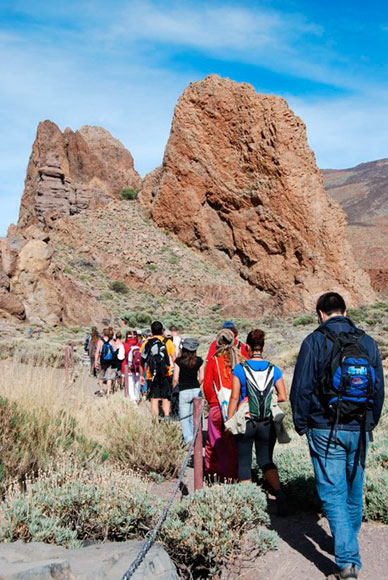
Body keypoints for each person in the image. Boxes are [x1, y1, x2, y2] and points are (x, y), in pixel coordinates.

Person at [290, 292, 384, 580]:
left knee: (333, 493)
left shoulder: (314, 341)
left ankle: (346, 562)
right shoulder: (367, 342)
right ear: (344, 310)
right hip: (360, 426)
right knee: (354, 492)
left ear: (320, 313)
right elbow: (379, 388)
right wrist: (371, 421)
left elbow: (301, 389)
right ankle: (348, 543)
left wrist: (301, 424)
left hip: (324, 427)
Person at [228, 329, 288, 513]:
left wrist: (230, 420)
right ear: (263, 347)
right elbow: (283, 396)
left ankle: (248, 506)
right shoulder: (273, 369)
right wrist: (268, 401)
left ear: (247, 347)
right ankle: (279, 495)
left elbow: (234, 397)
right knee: (265, 460)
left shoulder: (240, 369)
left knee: (244, 462)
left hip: (246, 421)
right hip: (267, 423)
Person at [203, 328, 240, 481]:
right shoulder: (240, 360)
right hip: (237, 408)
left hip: (218, 406)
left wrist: (212, 401)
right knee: (233, 444)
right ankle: (232, 475)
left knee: (214, 442)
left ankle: (214, 474)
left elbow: (206, 386)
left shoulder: (213, 360)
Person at [139, 321, 176, 420]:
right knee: (166, 397)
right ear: (162, 330)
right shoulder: (168, 342)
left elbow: (142, 361)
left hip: (151, 375)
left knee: (154, 398)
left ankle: (155, 421)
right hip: (166, 373)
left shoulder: (147, 343)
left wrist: (141, 376)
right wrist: (176, 374)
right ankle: (167, 417)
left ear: (151, 331)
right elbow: (174, 359)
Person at [173, 338, 204, 443]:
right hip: (196, 390)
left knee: (184, 417)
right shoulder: (199, 361)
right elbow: (202, 377)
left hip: (184, 390)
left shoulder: (178, 361)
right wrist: (197, 385)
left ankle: (189, 440)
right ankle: (196, 439)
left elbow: (175, 379)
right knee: (195, 416)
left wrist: (174, 390)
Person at [94, 328, 116, 397]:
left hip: (102, 361)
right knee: (109, 377)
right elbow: (115, 352)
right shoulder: (112, 341)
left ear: (103, 334)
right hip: (110, 362)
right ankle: (108, 393)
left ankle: (101, 390)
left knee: (100, 376)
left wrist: (95, 362)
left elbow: (97, 352)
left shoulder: (100, 341)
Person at [126, 331, 141, 401]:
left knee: (131, 383)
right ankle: (137, 397)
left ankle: (133, 399)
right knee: (137, 382)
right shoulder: (140, 345)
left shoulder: (125, 345)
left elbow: (120, 357)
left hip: (130, 368)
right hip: (139, 367)